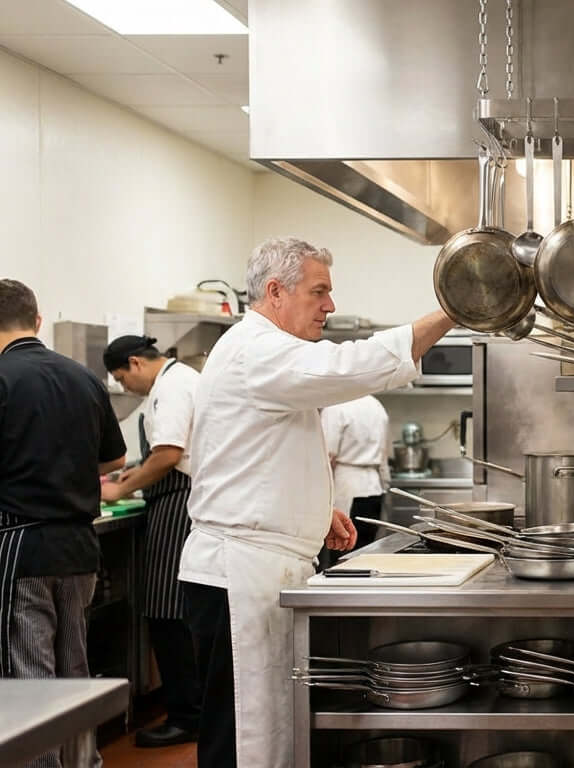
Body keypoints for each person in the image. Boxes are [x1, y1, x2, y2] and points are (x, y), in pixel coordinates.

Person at [177, 237, 455, 768]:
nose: (329, 306)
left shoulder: (263, 352)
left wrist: (312, 509)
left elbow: (252, 451)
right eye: (319, 291)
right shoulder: (256, 349)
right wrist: (452, 311)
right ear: (276, 291)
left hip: (259, 566)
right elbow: (352, 365)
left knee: (268, 731)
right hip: (238, 575)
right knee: (241, 740)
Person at [0, 279, 127, 768]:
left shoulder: (2, 378)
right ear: (36, 320)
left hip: (20, 548)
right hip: (79, 547)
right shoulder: (83, 377)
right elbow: (113, 458)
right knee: (74, 673)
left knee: (29, 677)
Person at [100, 335, 202, 748]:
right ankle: (191, 711)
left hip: (180, 504)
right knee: (174, 612)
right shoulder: (181, 379)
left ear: (135, 363)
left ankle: (186, 717)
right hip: (183, 500)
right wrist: (133, 474)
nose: (127, 388)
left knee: (168, 612)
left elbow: (169, 455)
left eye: (123, 380)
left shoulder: (172, 387)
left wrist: (116, 492)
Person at [320, 394, 390, 561]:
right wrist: (385, 487)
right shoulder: (376, 405)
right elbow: (385, 454)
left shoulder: (335, 406)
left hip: (347, 489)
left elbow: (326, 456)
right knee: (366, 555)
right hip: (374, 488)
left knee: (342, 556)